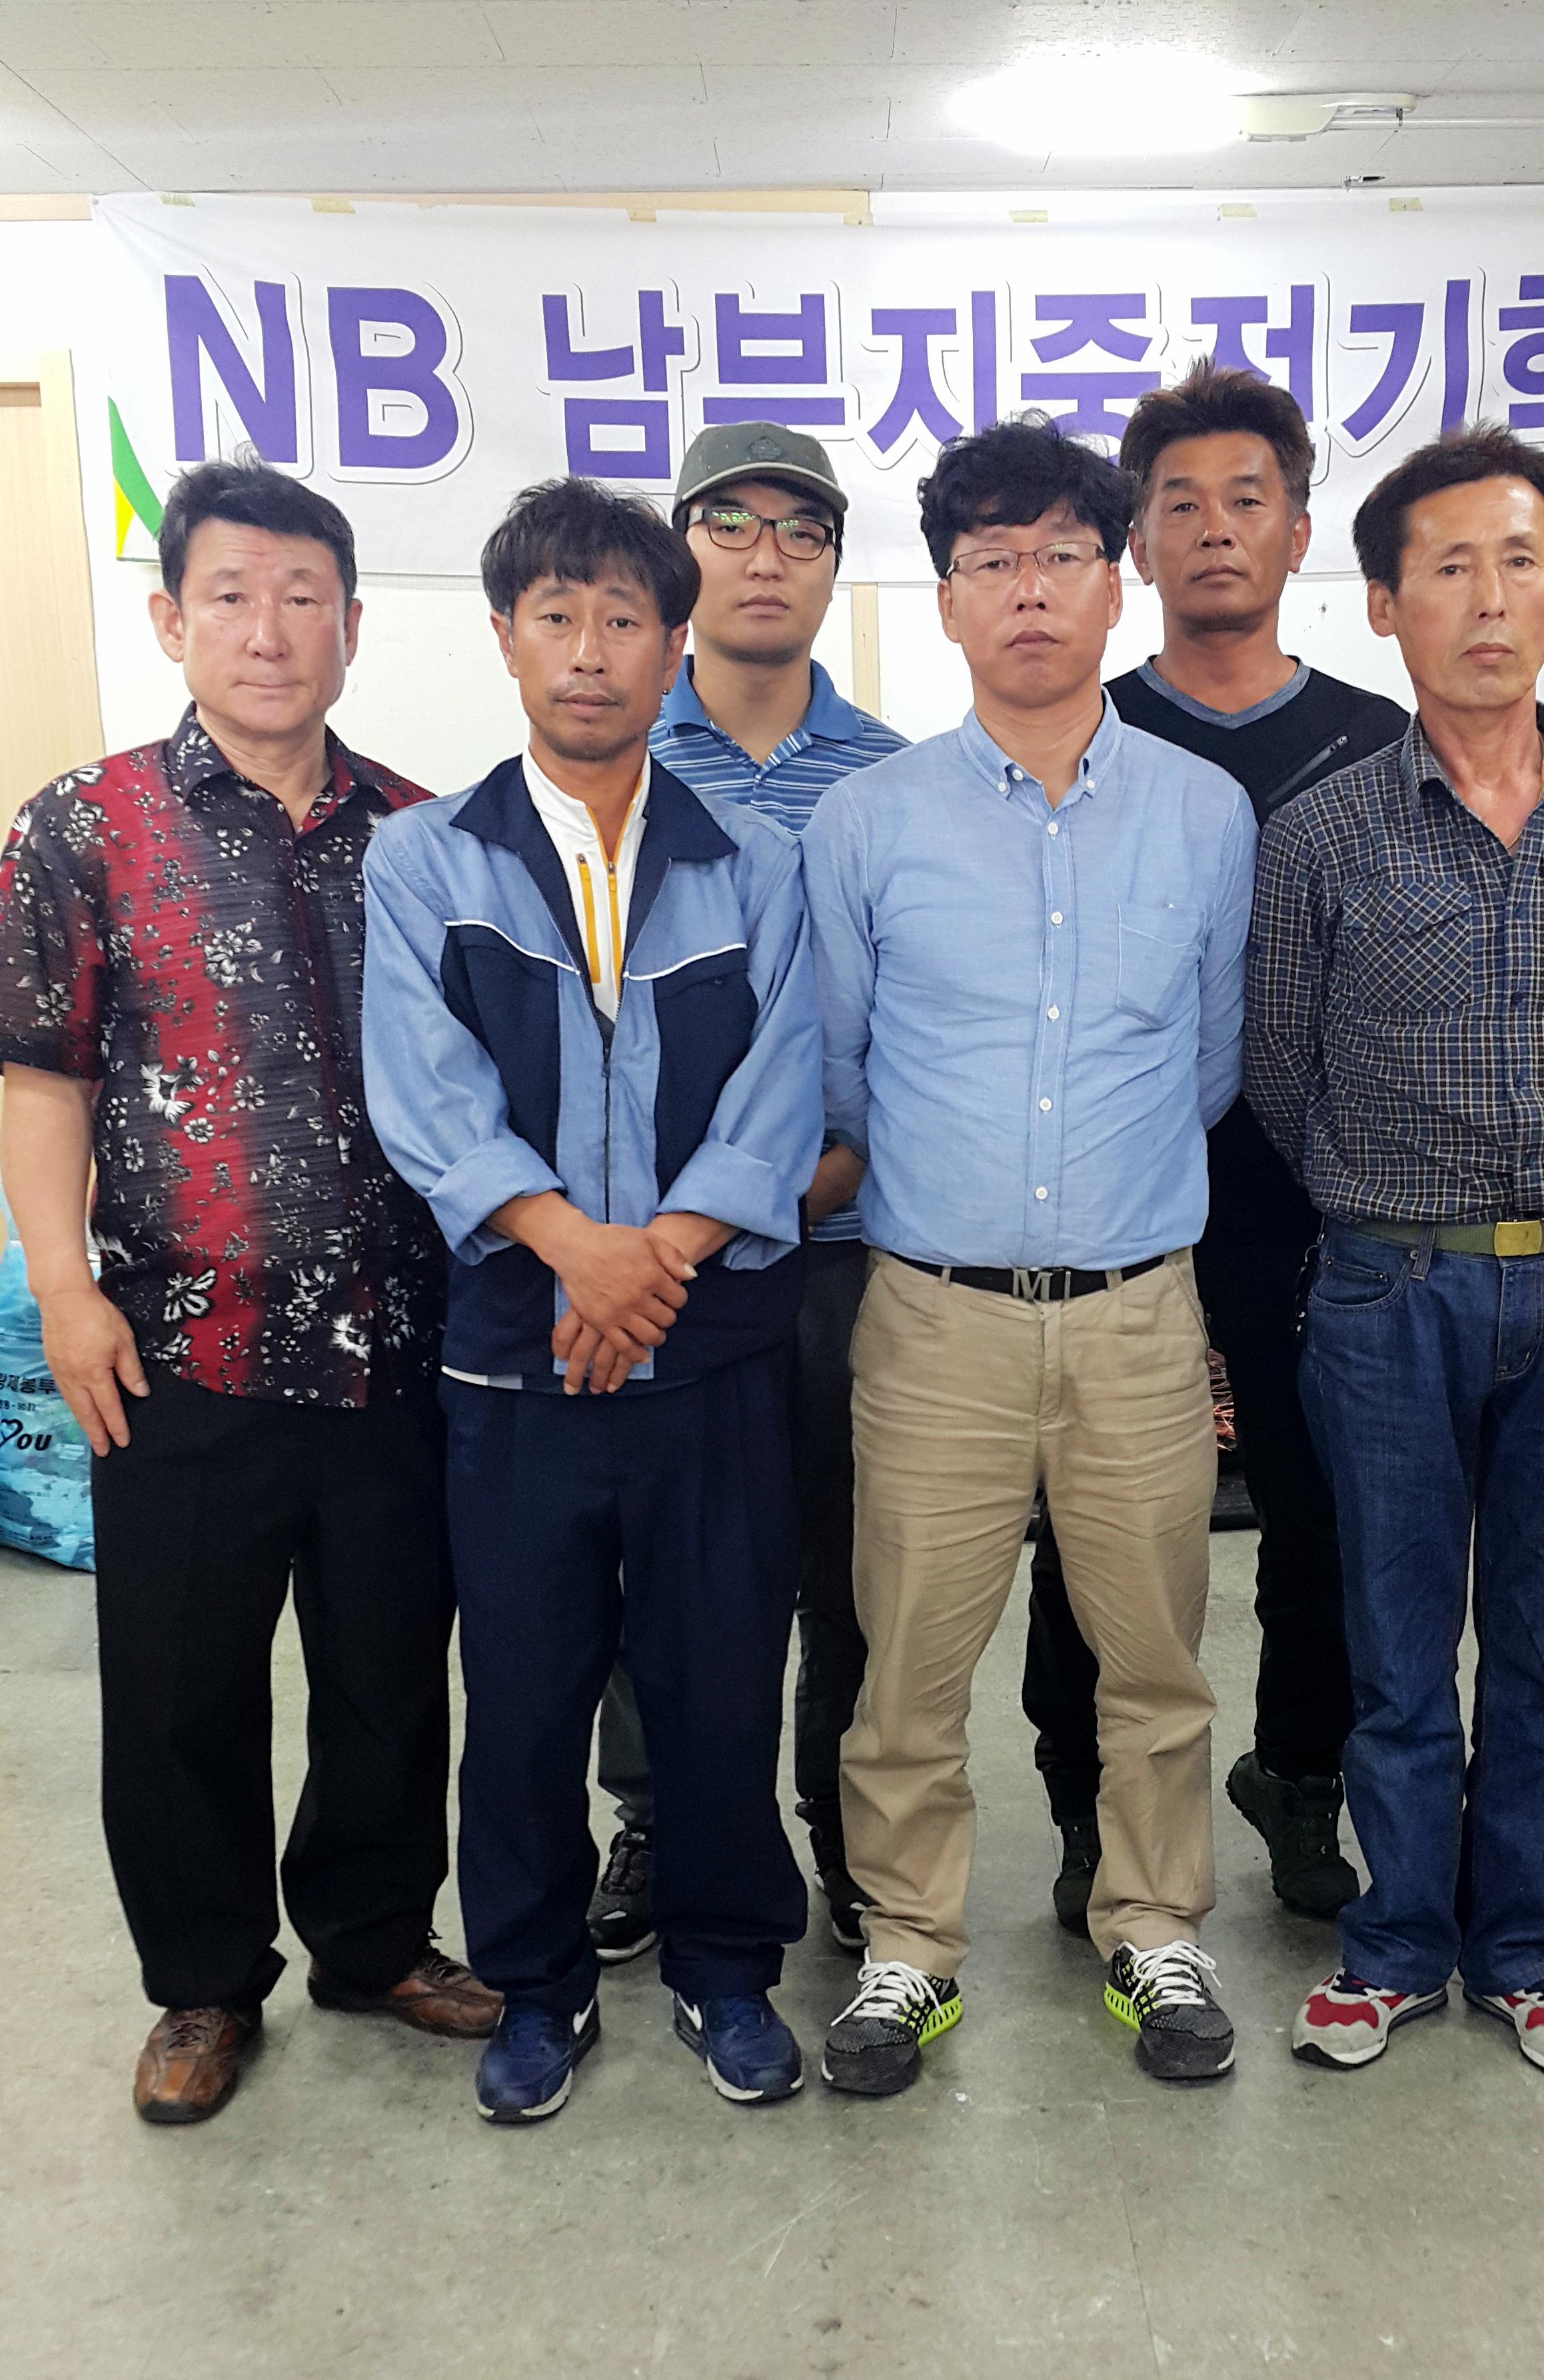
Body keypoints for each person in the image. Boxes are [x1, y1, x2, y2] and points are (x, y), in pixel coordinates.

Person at [0, 460, 494, 2126]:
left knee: (387, 1677)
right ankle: (205, 1981)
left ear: (352, 625)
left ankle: (374, 1939)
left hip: (399, 1343)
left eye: (303, 598)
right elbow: (43, 1075)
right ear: (172, 620)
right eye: (231, 595)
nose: (269, 631)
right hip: (178, 1346)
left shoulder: (427, 834)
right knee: (177, 1689)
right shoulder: (85, 827)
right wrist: (61, 1284)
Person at [1246, 422, 1544, 2083]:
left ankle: (1524, 1948)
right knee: (1392, 1644)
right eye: (1449, 567)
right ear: (1386, 605)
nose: (1490, 599)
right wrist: (1400, 1197)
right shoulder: (1322, 834)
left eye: (1520, 561)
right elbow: (1280, 1067)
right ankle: (1394, 1945)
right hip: (1391, 1288)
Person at [802, 416, 1254, 2095]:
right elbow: (844, 1075)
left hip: (1138, 1316)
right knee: (907, 1666)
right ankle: (910, 1947)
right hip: (935, 1319)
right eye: (991, 560)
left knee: (1153, 1658)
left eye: (1063, 553)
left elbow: (1208, 1064)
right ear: (945, 601)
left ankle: (1154, 1924)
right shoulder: (867, 823)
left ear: (1115, 583)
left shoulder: (1206, 816)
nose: (1030, 588)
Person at [361, 478, 822, 2121]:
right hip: (516, 1363)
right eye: (555, 616)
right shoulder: (425, 859)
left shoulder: (756, 862)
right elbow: (426, 1092)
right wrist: (576, 1249)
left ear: (672, 643)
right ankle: (538, 1983)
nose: (588, 651)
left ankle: (726, 1965)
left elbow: (786, 1086)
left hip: (712, 1355)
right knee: (526, 1691)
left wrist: (658, 1257)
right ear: (505, 636)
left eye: (624, 618)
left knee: (719, 1678)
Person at [1019, 359, 1407, 1932]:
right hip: (1115, 1195)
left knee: (1322, 1505)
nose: (1216, 528)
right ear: (1138, 543)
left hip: (1315, 1198)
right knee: (1091, 1520)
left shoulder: (1378, 742)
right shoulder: (1079, 731)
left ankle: (1299, 1774)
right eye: (1179, 504)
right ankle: (1086, 1800)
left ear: (1299, 530)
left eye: (1249, 499)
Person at [584, 422, 905, 1970]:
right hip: (653, 1254)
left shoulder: (897, 777)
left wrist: (837, 1168)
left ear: (835, 564)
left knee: (853, 1570)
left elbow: (923, 1022)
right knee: (661, 1566)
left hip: (847, 1245)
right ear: (681, 553)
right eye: (733, 525)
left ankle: (847, 1827)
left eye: (803, 530)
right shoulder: (611, 757)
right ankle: (659, 1817)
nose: (767, 557)